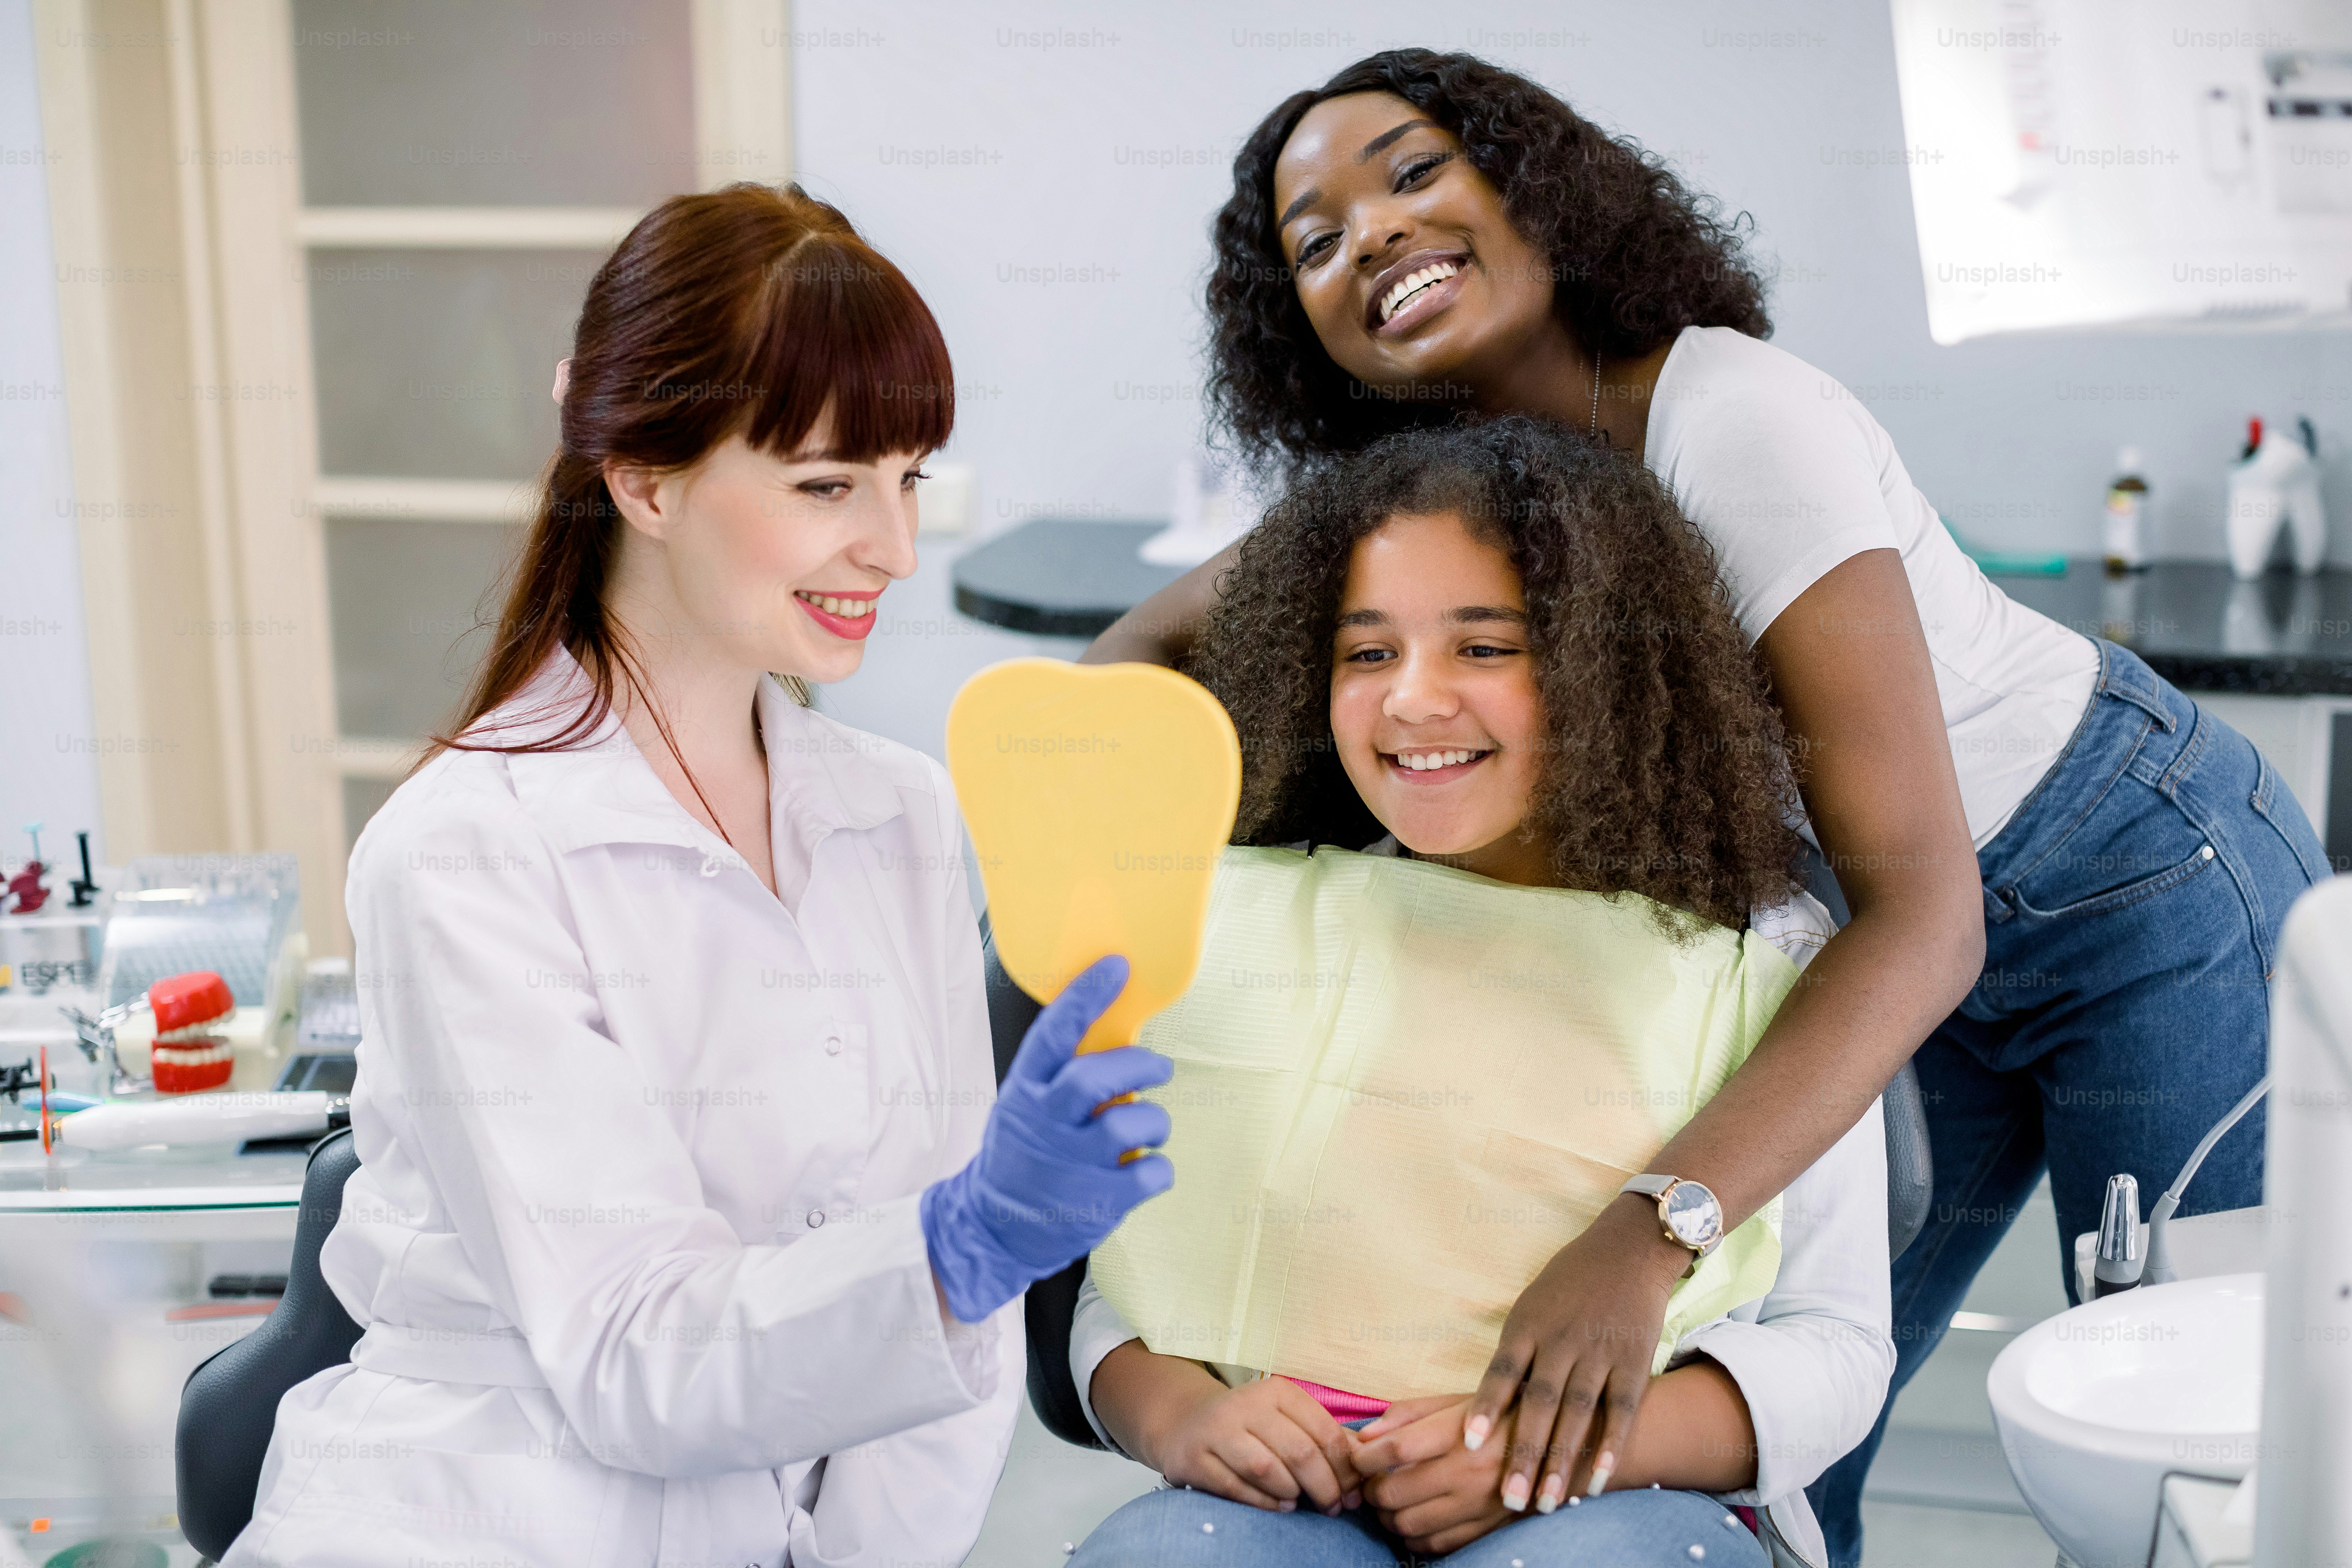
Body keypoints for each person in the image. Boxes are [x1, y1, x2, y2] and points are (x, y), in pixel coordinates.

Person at [1086, 51, 2330, 1564]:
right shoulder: (1454, 489)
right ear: (1303, 326)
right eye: (1320, 238)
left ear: (1536, 182)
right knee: (1759, 1405)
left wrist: (1640, 1224)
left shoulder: (1737, 419)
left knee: (2189, 1419)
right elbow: (1133, 657)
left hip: (2121, 878)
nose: (1378, 235)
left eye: (1415, 172)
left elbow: (1923, 920)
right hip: (1852, 937)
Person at [225, 184, 1173, 1568]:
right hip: (482, 1519)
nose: (895, 550)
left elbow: (942, 1386)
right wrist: (954, 1247)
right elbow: (629, 1348)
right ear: (647, 479)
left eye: (908, 479)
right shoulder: (462, 852)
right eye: (827, 484)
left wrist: (956, 1281)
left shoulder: (895, 811)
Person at [1068, 418, 1890, 1567]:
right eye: (1365, 654)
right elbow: (1139, 1269)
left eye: (1485, 649)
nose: (1411, 700)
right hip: (1268, 1505)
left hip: (1614, 1505)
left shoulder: (1766, 969)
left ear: (1606, 669)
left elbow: (1836, 1348)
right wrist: (1172, 1411)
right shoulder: (1250, 924)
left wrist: (1562, 1447)